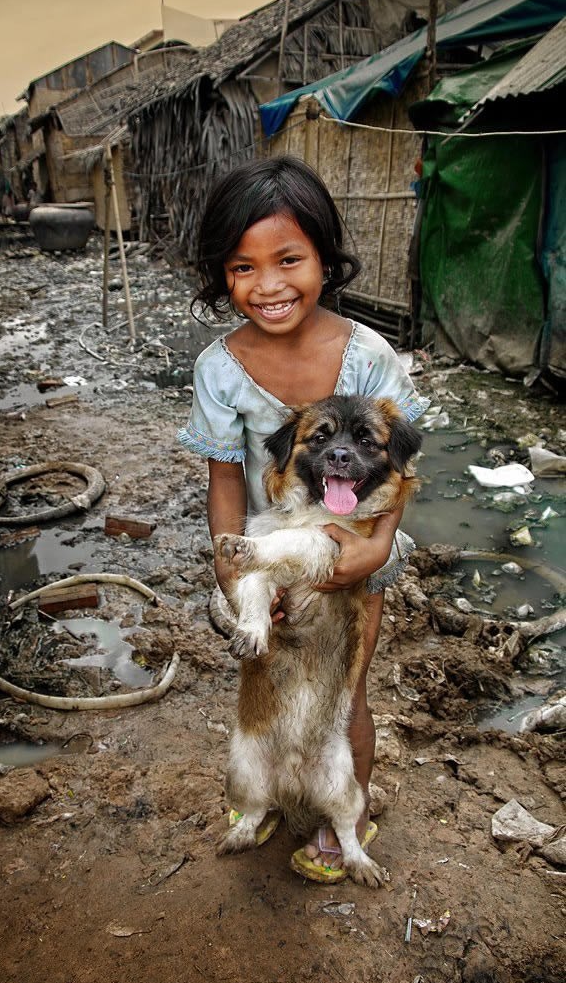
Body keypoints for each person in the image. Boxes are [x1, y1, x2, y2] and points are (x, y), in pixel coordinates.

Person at [177, 155, 430, 882]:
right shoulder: (220, 369)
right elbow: (225, 480)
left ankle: (341, 822)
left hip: (354, 559)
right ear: (222, 275)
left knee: (342, 689)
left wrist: (373, 550)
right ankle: (265, 796)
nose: (268, 285)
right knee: (265, 679)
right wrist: (235, 576)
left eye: (288, 259)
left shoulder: (369, 358)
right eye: (241, 267)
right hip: (270, 556)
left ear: (324, 256)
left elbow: (400, 468)